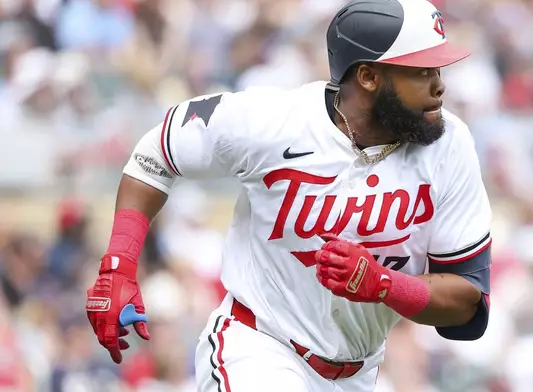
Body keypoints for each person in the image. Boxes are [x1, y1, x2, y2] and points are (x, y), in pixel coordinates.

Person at [85, 0, 493, 391]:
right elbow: (158, 151)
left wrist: (385, 285)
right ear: (369, 77)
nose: (440, 86)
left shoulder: (449, 145)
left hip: (359, 370)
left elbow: (466, 304)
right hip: (258, 344)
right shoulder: (273, 120)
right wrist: (118, 266)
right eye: (422, 71)